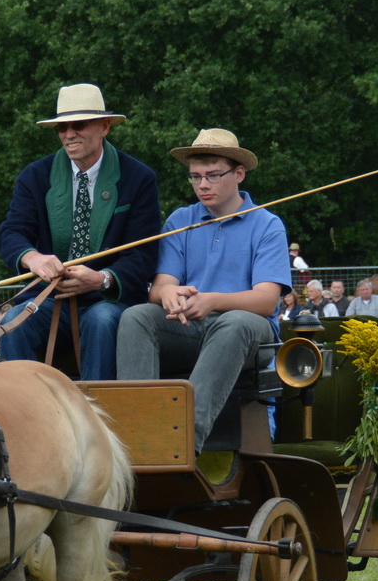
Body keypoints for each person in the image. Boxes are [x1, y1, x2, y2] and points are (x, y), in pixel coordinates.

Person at [117, 128, 288, 453]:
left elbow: (266, 301)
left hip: (251, 334)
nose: (202, 185)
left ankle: (178, 441)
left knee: (233, 322)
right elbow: (160, 287)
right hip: (190, 328)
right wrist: (167, 294)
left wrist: (211, 301)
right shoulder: (180, 220)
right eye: (195, 177)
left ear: (239, 174)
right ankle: (135, 437)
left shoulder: (267, 225)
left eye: (212, 175)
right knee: (137, 316)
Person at [0, 83, 161, 380]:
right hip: (48, 298)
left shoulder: (139, 178)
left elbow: (143, 255)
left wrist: (101, 279)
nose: (69, 134)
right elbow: (12, 231)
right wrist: (33, 258)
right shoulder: (35, 176)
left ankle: (97, 417)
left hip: (109, 300)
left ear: (105, 127)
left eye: (79, 125)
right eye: (62, 127)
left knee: (102, 321)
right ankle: (21, 417)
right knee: (13, 320)